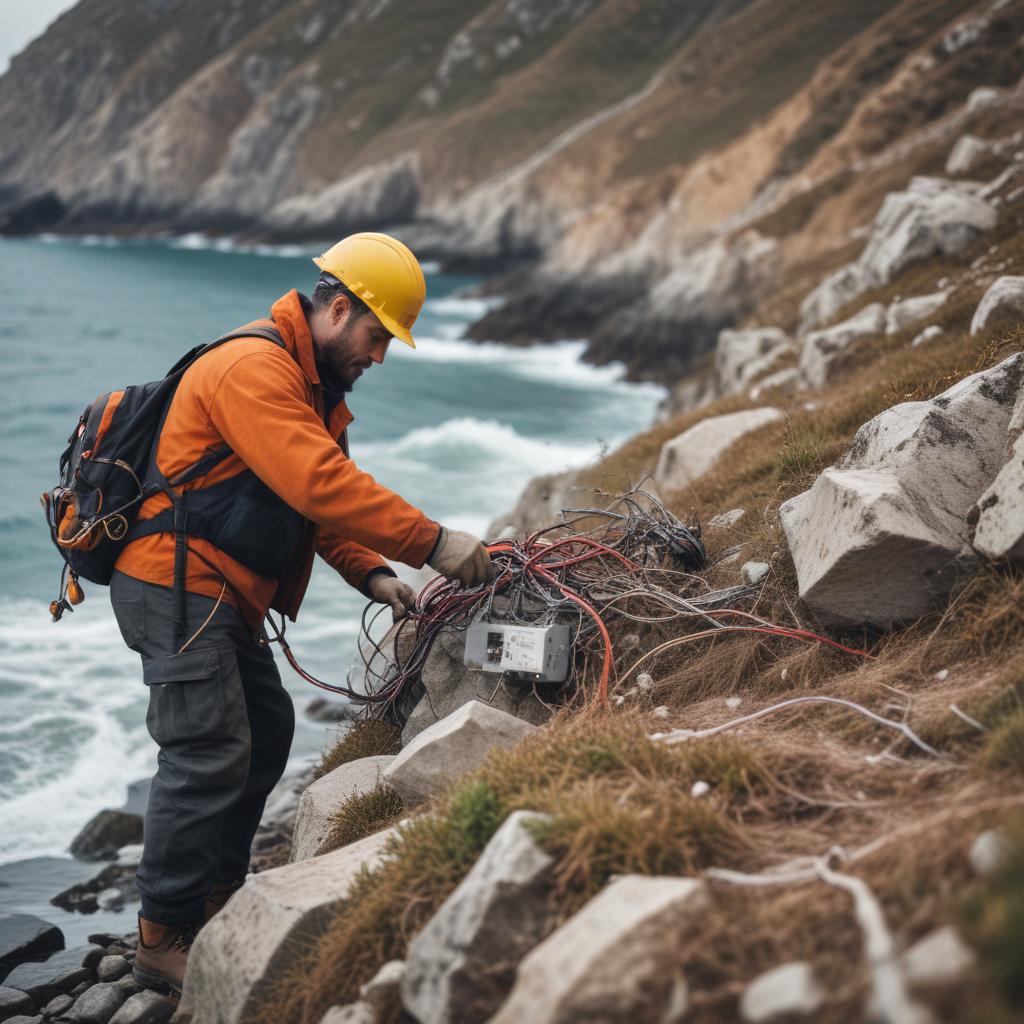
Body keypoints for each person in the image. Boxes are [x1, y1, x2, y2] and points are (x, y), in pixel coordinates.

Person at [107, 231, 494, 995]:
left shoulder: (308, 385)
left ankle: (214, 900)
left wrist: (373, 573)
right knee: (207, 749)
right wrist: (435, 543)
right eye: (378, 335)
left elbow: (312, 508)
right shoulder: (254, 369)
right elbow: (317, 484)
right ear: (338, 307)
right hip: (174, 584)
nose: (380, 356)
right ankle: (159, 938)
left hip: (211, 591)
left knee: (267, 730)